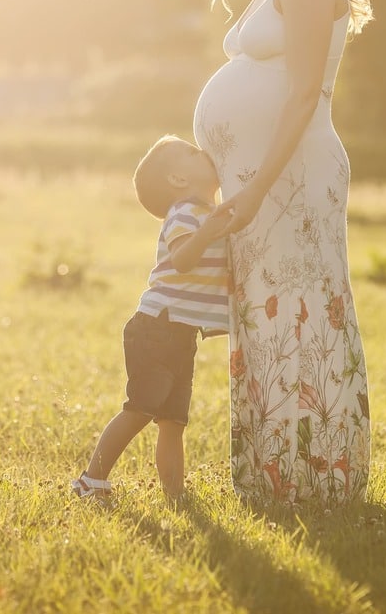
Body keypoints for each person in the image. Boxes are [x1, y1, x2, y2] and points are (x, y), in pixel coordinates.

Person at [189, 0, 373, 506]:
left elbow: (303, 95)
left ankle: (320, 476)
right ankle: (272, 474)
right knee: (262, 317)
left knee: (300, 313)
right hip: (257, 184)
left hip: (291, 178)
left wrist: (260, 188)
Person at [71, 135, 233, 502]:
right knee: (141, 408)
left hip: (180, 334)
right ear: (178, 179)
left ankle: (175, 496)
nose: (204, 151)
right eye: (193, 152)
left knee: (174, 421)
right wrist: (210, 229)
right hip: (156, 328)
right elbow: (183, 260)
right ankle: (90, 479)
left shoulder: (208, 214)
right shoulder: (185, 214)